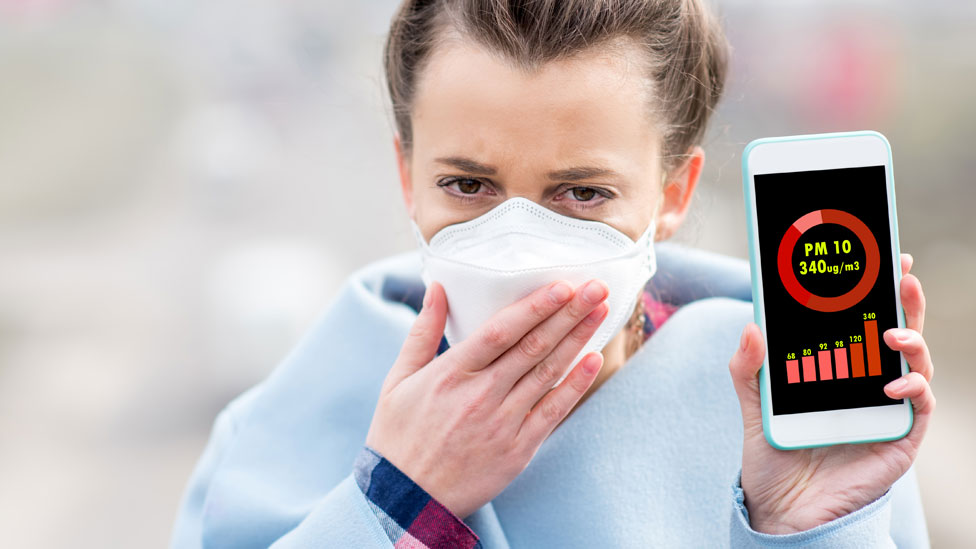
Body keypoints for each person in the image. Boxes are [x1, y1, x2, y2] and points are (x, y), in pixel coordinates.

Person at [170, 0, 934, 547]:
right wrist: (396, 503)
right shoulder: (274, 435)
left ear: (673, 194)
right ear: (407, 174)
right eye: (468, 184)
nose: (522, 242)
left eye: (582, 192)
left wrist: (804, 531)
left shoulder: (798, 421)